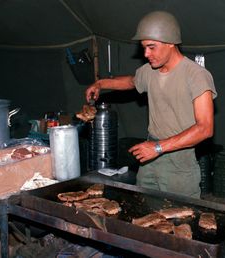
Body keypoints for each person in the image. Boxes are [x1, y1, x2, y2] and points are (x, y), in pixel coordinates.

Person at [85, 11, 217, 198]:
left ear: (171, 43)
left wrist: (158, 148)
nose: (146, 54)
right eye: (144, 48)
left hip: (179, 162)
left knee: (180, 219)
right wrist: (100, 84)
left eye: (151, 47)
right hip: (149, 159)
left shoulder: (196, 76)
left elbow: (205, 128)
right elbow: (131, 81)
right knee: (144, 214)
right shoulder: (150, 71)